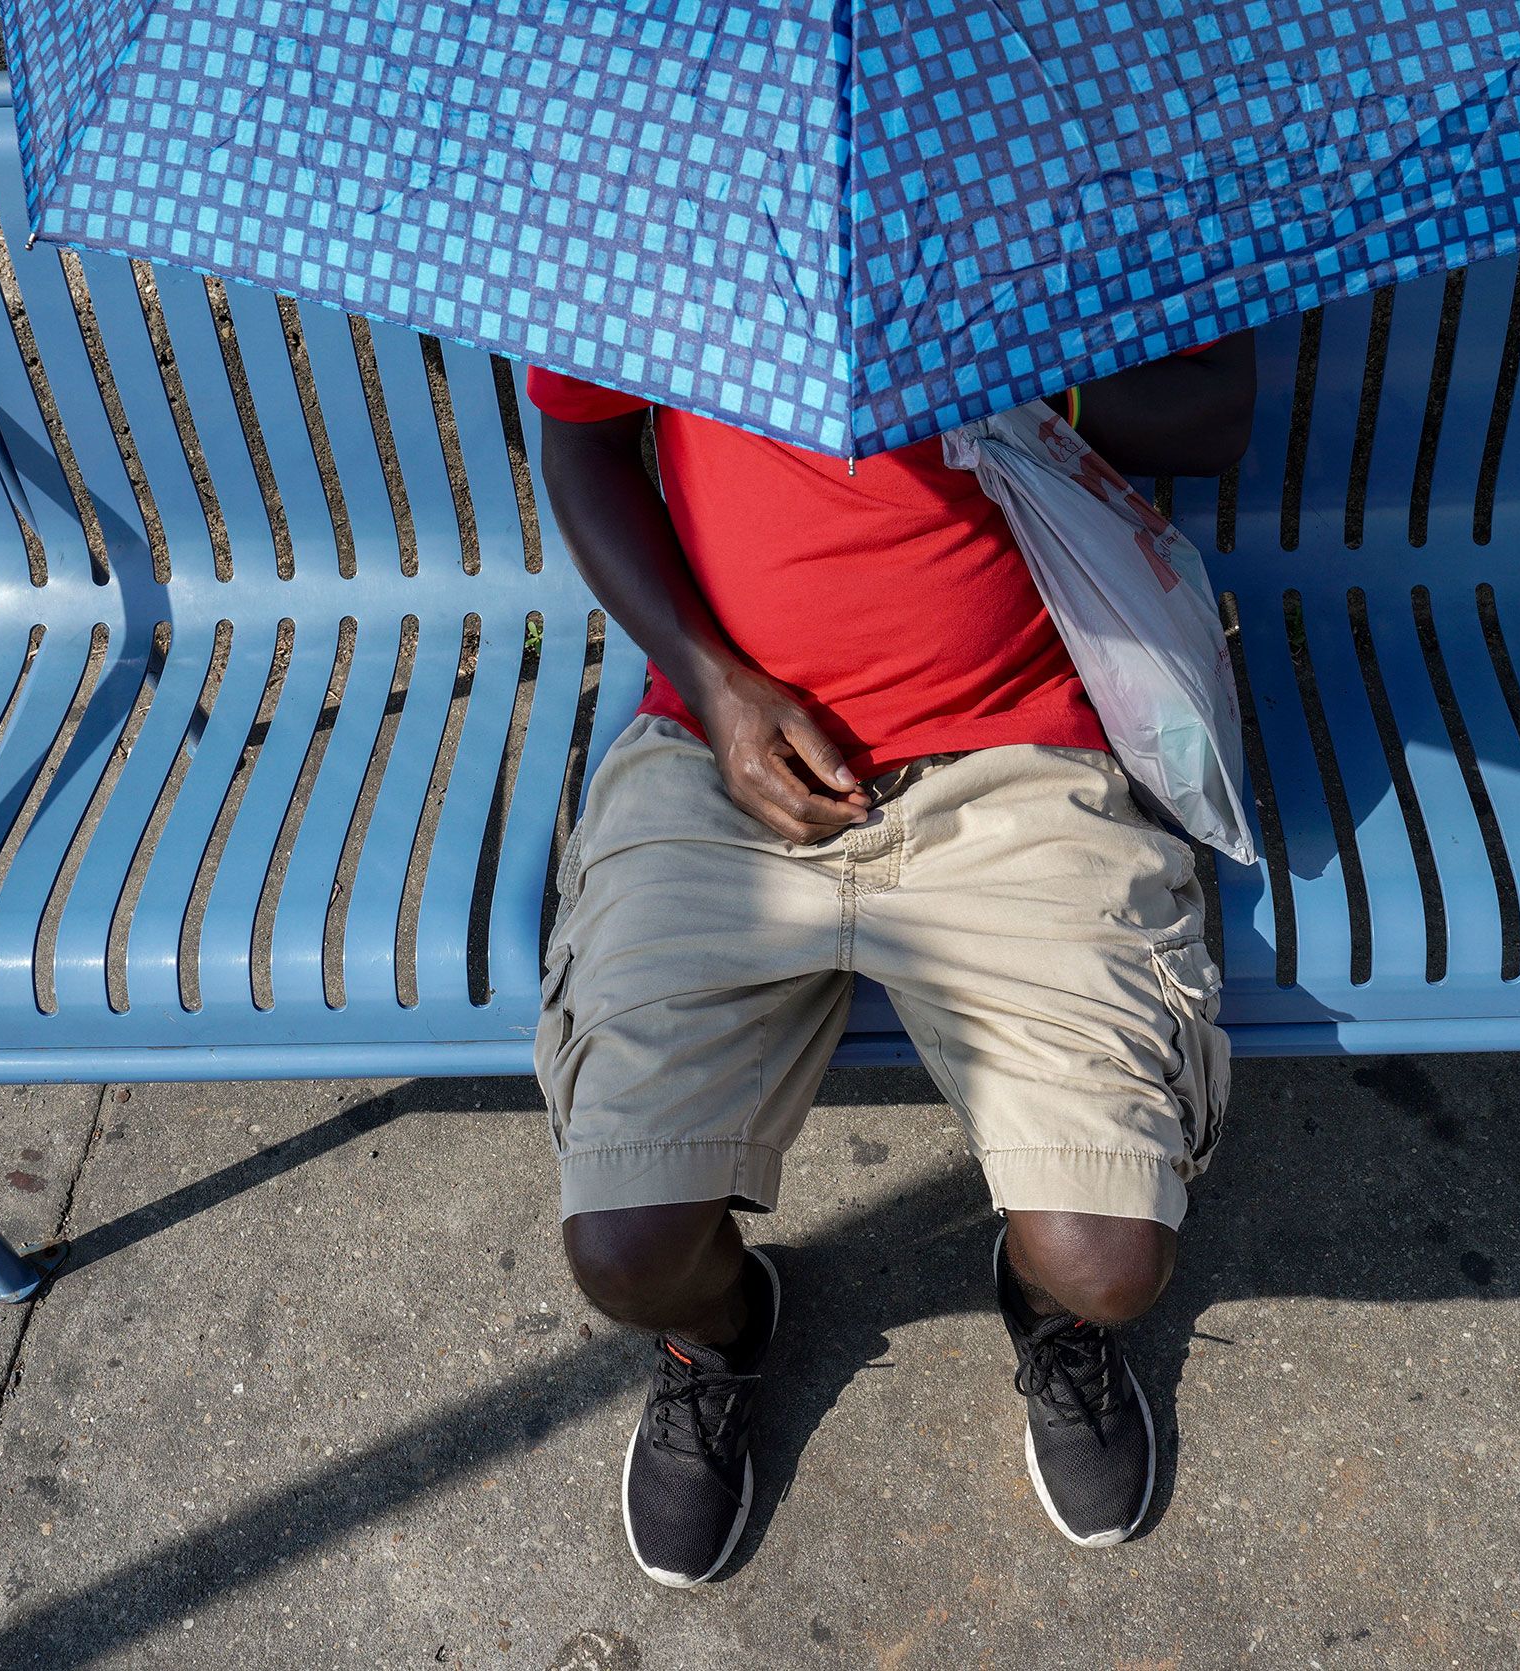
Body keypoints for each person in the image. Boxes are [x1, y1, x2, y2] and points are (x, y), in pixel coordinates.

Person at [529, 341, 1256, 1585]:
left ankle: (1052, 1321)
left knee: (1110, 1263)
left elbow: (1212, 415)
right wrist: (714, 688)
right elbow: (584, 444)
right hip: (718, 754)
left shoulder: (1065, 164)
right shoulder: (663, 193)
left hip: (1018, 756)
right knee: (625, 1255)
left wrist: (996, 365)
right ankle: (719, 1337)